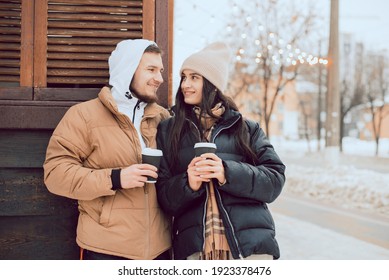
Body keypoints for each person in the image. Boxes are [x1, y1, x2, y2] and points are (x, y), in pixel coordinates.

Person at [156, 42, 286, 260]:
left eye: (194, 77)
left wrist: (228, 172)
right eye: (184, 77)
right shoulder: (169, 130)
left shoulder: (246, 129)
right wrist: (188, 184)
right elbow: (163, 197)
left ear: (212, 84)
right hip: (196, 251)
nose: (185, 84)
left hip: (249, 250)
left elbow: (274, 181)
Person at [43, 39, 171, 260]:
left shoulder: (163, 117)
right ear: (127, 70)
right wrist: (115, 178)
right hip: (105, 250)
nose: (159, 78)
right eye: (151, 69)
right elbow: (55, 175)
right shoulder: (83, 115)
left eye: (160, 71)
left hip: (160, 251)